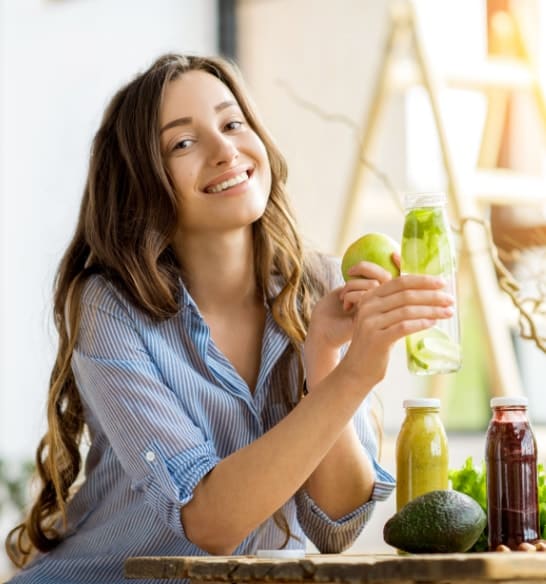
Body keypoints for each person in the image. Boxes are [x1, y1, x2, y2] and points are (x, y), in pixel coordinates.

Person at [5, 53, 456, 583]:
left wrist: (327, 362)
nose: (225, 150)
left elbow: (336, 524)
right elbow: (209, 521)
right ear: (141, 182)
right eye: (183, 143)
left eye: (232, 122)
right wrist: (356, 376)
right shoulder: (110, 307)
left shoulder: (321, 288)